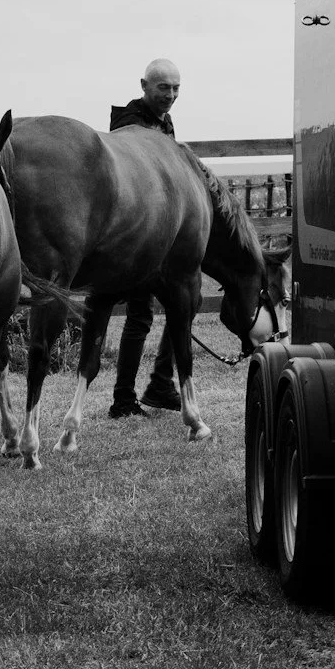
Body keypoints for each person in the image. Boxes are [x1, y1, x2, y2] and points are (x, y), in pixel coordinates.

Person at [107, 58, 184, 418]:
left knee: (183, 304)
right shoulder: (129, 125)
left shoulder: (164, 123)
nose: (170, 95)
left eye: (175, 88)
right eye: (163, 87)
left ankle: (160, 384)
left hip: (162, 234)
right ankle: (123, 399)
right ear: (144, 85)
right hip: (136, 236)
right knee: (139, 314)